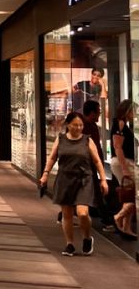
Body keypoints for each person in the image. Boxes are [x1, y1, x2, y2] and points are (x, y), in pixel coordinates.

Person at [39, 110, 108, 256]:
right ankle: (69, 244)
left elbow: (97, 161)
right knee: (67, 214)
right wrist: (45, 174)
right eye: (75, 125)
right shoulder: (61, 139)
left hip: (84, 179)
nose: (78, 128)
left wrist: (103, 180)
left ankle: (87, 238)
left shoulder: (87, 140)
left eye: (81, 125)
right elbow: (52, 158)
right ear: (68, 125)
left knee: (82, 213)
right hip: (65, 178)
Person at [82, 99, 114, 232]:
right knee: (97, 193)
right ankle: (107, 221)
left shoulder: (93, 126)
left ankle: (106, 220)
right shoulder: (83, 126)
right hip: (85, 166)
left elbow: (97, 150)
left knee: (94, 192)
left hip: (91, 165)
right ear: (92, 113)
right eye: (98, 112)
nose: (100, 114)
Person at [110, 99, 137, 237]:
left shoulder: (121, 124)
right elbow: (118, 146)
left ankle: (126, 227)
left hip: (125, 162)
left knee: (130, 194)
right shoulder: (120, 124)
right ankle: (118, 217)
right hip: (124, 162)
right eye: (133, 110)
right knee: (135, 194)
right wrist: (125, 167)